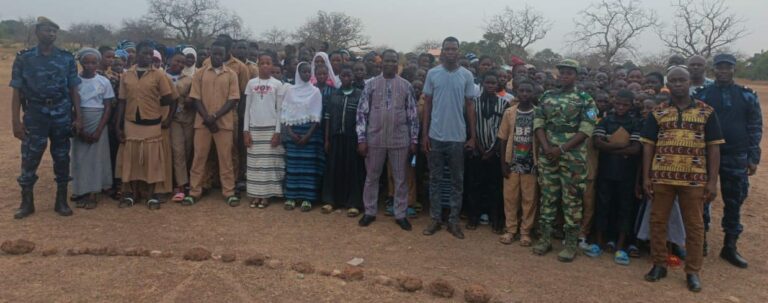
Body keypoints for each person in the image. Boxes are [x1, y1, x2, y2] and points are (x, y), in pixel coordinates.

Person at [641, 66, 723, 292]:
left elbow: (714, 148)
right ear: (669, 83)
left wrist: (712, 181)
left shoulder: (707, 112)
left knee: (695, 226)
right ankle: (659, 264)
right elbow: (648, 146)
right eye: (674, 80)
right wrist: (646, 176)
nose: (678, 84)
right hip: (661, 177)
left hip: (694, 179)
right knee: (658, 222)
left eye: (682, 80)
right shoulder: (658, 111)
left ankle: (693, 271)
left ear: (690, 83)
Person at [694, 53, 762, 269]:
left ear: (734, 69)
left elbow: (755, 127)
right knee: (702, 199)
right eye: (719, 67)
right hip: (705, 155)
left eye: (728, 67)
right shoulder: (702, 94)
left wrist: (753, 157)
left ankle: (730, 246)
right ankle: (701, 242)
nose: (723, 71)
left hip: (736, 155)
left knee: (735, 201)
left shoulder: (747, 95)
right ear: (713, 70)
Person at [11, 17, 82, 218]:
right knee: (30, 157)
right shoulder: (24, 58)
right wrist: (16, 122)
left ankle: (61, 202)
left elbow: (73, 89)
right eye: (47, 30)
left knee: (61, 157)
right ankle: (26, 203)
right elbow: (17, 91)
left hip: (61, 113)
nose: (51, 34)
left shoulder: (67, 58)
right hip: (35, 114)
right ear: (37, 31)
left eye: (54, 31)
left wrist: (78, 116)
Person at [532, 59, 598, 262]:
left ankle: (570, 244)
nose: (564, 76)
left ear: (576, 76)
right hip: (548, 153)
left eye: (569, 73)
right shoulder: (547, 96)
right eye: (561, 72)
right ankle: (545, 239)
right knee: (548, 197)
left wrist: (561, 149)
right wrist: (545, 147)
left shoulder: (585, 99)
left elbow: (587, 129)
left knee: (571, 200)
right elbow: (539, 122)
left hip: (572, 156)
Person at [421, 37, 478, 239]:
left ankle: (453, 221)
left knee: (457, 180)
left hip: (457, 137)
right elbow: (427, 104)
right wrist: (425, 134)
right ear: (443, 52)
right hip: (435, 136)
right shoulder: (432, 73)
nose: (451, 52)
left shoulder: (467, 75)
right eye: (447, 49)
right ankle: (435, 219)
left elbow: (470, 106)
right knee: (435, 179)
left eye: (454, 49)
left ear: (459, 52)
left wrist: (472, 136)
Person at [357, 50, 419, 231]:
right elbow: (361, 113)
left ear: (398, 64)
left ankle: (401, 214)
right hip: (374, 138)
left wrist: (414, 139)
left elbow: (413, 116)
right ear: (381, 63)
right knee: (372, 177)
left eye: (394, 61)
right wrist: (361, 138)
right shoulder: (371, 85)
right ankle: (369, 211)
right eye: (387, 61)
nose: (390, 64)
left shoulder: (406, 86)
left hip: (400, 139)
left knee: (400, 178)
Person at [113, 40, 174, 209]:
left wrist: (167, 118)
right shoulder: (127, 75)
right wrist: (117, 126)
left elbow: (170, 99)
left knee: (151, 160)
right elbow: (122, 102)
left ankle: (152, 194)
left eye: (150, 54)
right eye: (144, 53)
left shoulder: (159, 75)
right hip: (131, 123)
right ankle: (131, 194)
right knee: (131, 159)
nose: (148, 57)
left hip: (152, 123)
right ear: (137, 54)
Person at [183, 41, 242, 207]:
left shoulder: (231, 74)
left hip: (223, 124)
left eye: (220, 54)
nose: (217, 56)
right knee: (199, 157)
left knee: (226, 159)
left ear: (225, 54)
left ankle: (228, 192)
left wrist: (215, 116)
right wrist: (207, 119)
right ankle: (194, 192)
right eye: (214, 53)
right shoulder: (200, 74)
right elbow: (195, 98)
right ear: (210, 53)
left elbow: (233, 100)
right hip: (202, 123)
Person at [587, 90, 642, 265]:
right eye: (618, 103)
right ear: (613, 102)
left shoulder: (635, 123)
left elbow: (636, 149)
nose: (620, 107)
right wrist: (622, 147)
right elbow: (597, 143)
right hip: (606, 172)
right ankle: (598, 242)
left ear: (631, 105)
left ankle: (620, 246)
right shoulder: (606, 120)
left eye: (625, 105)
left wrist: (610, 145)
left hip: (627, 174)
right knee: (602, 205)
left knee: (625, 207)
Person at [70, 48, 115, 210]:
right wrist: (79, 127)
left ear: (98, 63)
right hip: (79, 121)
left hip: (98, 120)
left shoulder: (104, 81)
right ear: (80, 62)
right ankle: (80, 190)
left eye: (93, 62)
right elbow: (71, 105)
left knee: (96, 158)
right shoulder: (74, 80)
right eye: (86, 62)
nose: (89, 65)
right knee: (79, 157)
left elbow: (108, 107)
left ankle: (93, 193)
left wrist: (98, 130)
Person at [464, 70, 506, 233]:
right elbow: (470, 127)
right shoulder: (473, 103)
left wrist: (492, 150)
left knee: (495, 187)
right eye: (487, 82)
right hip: (477, 152)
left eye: (493, 83)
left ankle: (495, 220)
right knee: (474, 185)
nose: (490, 85)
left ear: (498, 85)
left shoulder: (504, 104)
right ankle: (473, 217)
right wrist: (480, 149)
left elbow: (504, 130)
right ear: (482, 84)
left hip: (495, 153)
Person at [320, 65, 365, 216]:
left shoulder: (360, 95)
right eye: (343, 75)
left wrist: (361, 140)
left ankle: (353, 203)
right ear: (339, 77)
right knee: (333, 170)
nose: (346, 78)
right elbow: (327, 118)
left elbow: (363, 120)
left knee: (353, 171)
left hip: (352, 139)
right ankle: (330, 201)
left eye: (348, 75)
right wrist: (326, 139)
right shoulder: (333, 95)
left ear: (353, 77)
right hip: (335, 138)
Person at [497, 79, 538, 246]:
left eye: (528, 91)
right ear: (517, 92)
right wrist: (503, 163)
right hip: (512, 162)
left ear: (533, 93)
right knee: (510, 198)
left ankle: (525, 232)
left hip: (530, 164)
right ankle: (511, 229)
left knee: (529, 199)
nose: (525, 94)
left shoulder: (538, 113)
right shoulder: (509, 113)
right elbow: (502, 139)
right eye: (522, 91)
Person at [243, 53, 286, 209]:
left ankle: (266, 195)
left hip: (270, 129)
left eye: (268, 63)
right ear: (258, 64)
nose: (265, 66)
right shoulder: (251, 83)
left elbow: (280, 109)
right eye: (262, 63)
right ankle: (255, 194)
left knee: (268, 165)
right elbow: (247, 109)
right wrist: (245, 131)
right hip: (254, 128)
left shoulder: (278, 84)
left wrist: (277, 131)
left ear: (273, 65)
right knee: (255, 164)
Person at [281, 62, 325, 212]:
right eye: (303, 72)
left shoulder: (315, 91)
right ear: (298, 73)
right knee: (293, 166)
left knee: (309, 167)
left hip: (310, 133)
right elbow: (285, 113)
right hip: (293, 132)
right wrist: (291, 133)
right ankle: (292, 197)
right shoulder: (290, 91)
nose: (306, 75)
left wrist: (307, 136)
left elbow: (317, 116)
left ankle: (308, 198)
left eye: (308, 72)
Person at [166, 53, 194, 202]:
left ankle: (185, 180)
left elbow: (194, 96)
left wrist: (190, 98)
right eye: (177, 61)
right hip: (172, 119)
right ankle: (180, 185)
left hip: (188, 118)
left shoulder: (189, 79)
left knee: (188, 150)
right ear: (169, 60)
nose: (180, 65)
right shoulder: (162, 77)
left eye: (183, 63)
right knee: (178, 151)